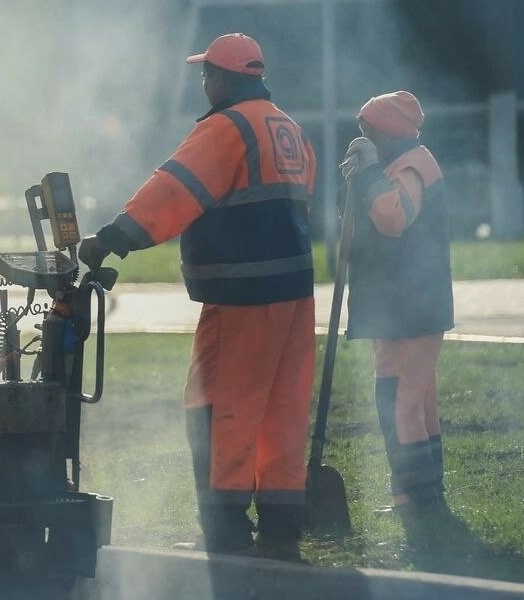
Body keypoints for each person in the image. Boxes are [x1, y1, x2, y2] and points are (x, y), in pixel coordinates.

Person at [79, 33, 317, 558]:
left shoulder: (228, 128)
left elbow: (175, 189)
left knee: (217, 406)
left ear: (225, 78)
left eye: (207, 74)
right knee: (283, 409)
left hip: (243, 296)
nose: (204, 83)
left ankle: (226, 527)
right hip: (295, 296)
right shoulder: (289, 129)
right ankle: (282, 526)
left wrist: (113, 238)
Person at [338, 91, 455, 537]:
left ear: (387, 131)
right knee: (414, 402)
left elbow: (393, 219)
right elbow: (361, 220)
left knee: (401, 404)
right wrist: (356, 181)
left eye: (367, 131)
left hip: (412, 307)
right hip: (399, 307)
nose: (361, 137)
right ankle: (416, 498)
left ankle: (422, 506)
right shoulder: (395, 164)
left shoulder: (412, 165)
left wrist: (368, 174)